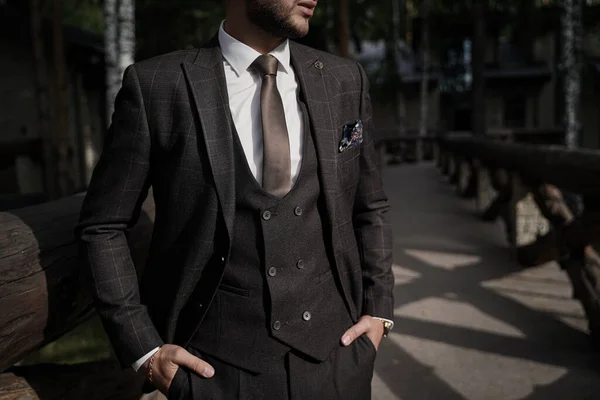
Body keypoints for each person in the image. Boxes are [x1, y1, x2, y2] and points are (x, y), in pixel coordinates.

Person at [76, 0, 394, 398]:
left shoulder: (345, 79)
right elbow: (102, 225)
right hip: (214, 374)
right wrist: (143, 348)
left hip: (338, 361)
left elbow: (369, 206)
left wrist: (379, 311)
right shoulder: (157, 85)